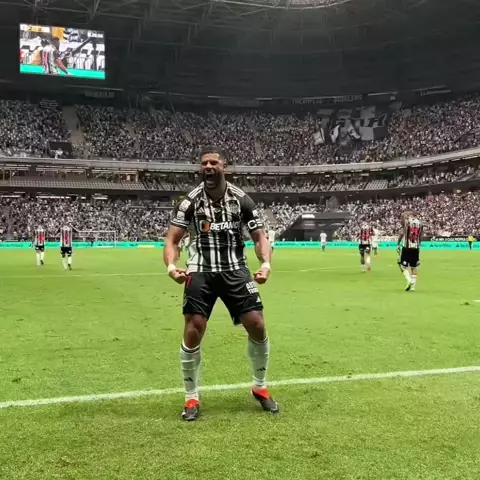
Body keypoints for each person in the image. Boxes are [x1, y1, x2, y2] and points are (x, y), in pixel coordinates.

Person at [163, 146, 278, 422]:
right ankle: (191, 397)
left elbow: (260, 237)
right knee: (194, 328)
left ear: (224, 167)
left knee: (257, 324)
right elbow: (172, 240)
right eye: (204, 163)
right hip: (201, 270)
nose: (208, 166)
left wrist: (265, 264)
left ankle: (260, 387)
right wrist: (171, 267)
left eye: (214, 162)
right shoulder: (190, 202)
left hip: (235, 269)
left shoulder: (241, 200)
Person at [397, 212, 422, 291]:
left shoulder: (407, 222)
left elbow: (401, 233)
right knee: (414, 267)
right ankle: (413, 287)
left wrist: (398, 243)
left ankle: (409, 280)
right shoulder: (420, 223)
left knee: (402, 266)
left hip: (406, 247)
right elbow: (421, 236)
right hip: (416, 247)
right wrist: (418, 245)